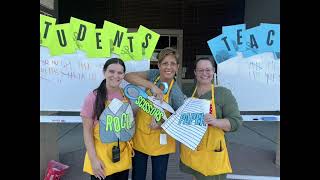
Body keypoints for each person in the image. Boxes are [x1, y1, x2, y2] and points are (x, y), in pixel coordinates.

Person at [124, 47, 186, 180]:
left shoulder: (176, 93)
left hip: (161, 143)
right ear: (158, 65)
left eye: (172, 63)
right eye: (164, 63)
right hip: (140, 137)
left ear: (178, 67)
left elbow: (180, 120)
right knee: (137, 176)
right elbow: (128, 76)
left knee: (159, 176)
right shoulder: (153, 75)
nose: (168, 67)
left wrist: (162, 123)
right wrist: (152, 86)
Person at [179, 57, 243, 180]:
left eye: (208, 70)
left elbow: (236, 122)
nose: (204, 73)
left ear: (213, 71)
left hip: (212, 151)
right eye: (200, 70)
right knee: (195, 175)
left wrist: (215, 121)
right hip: (192, 149)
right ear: (195, 72)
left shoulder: (223, 93)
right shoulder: (189, 92)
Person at [80, 58, 135, 180]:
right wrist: (94, 160)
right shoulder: (92, 98)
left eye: (120, 73)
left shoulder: (125, 96)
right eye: (111, 71)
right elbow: (87, 132)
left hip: (122, 158)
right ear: (104, 72)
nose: (115, 75)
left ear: (123, 75)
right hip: (102, 160)